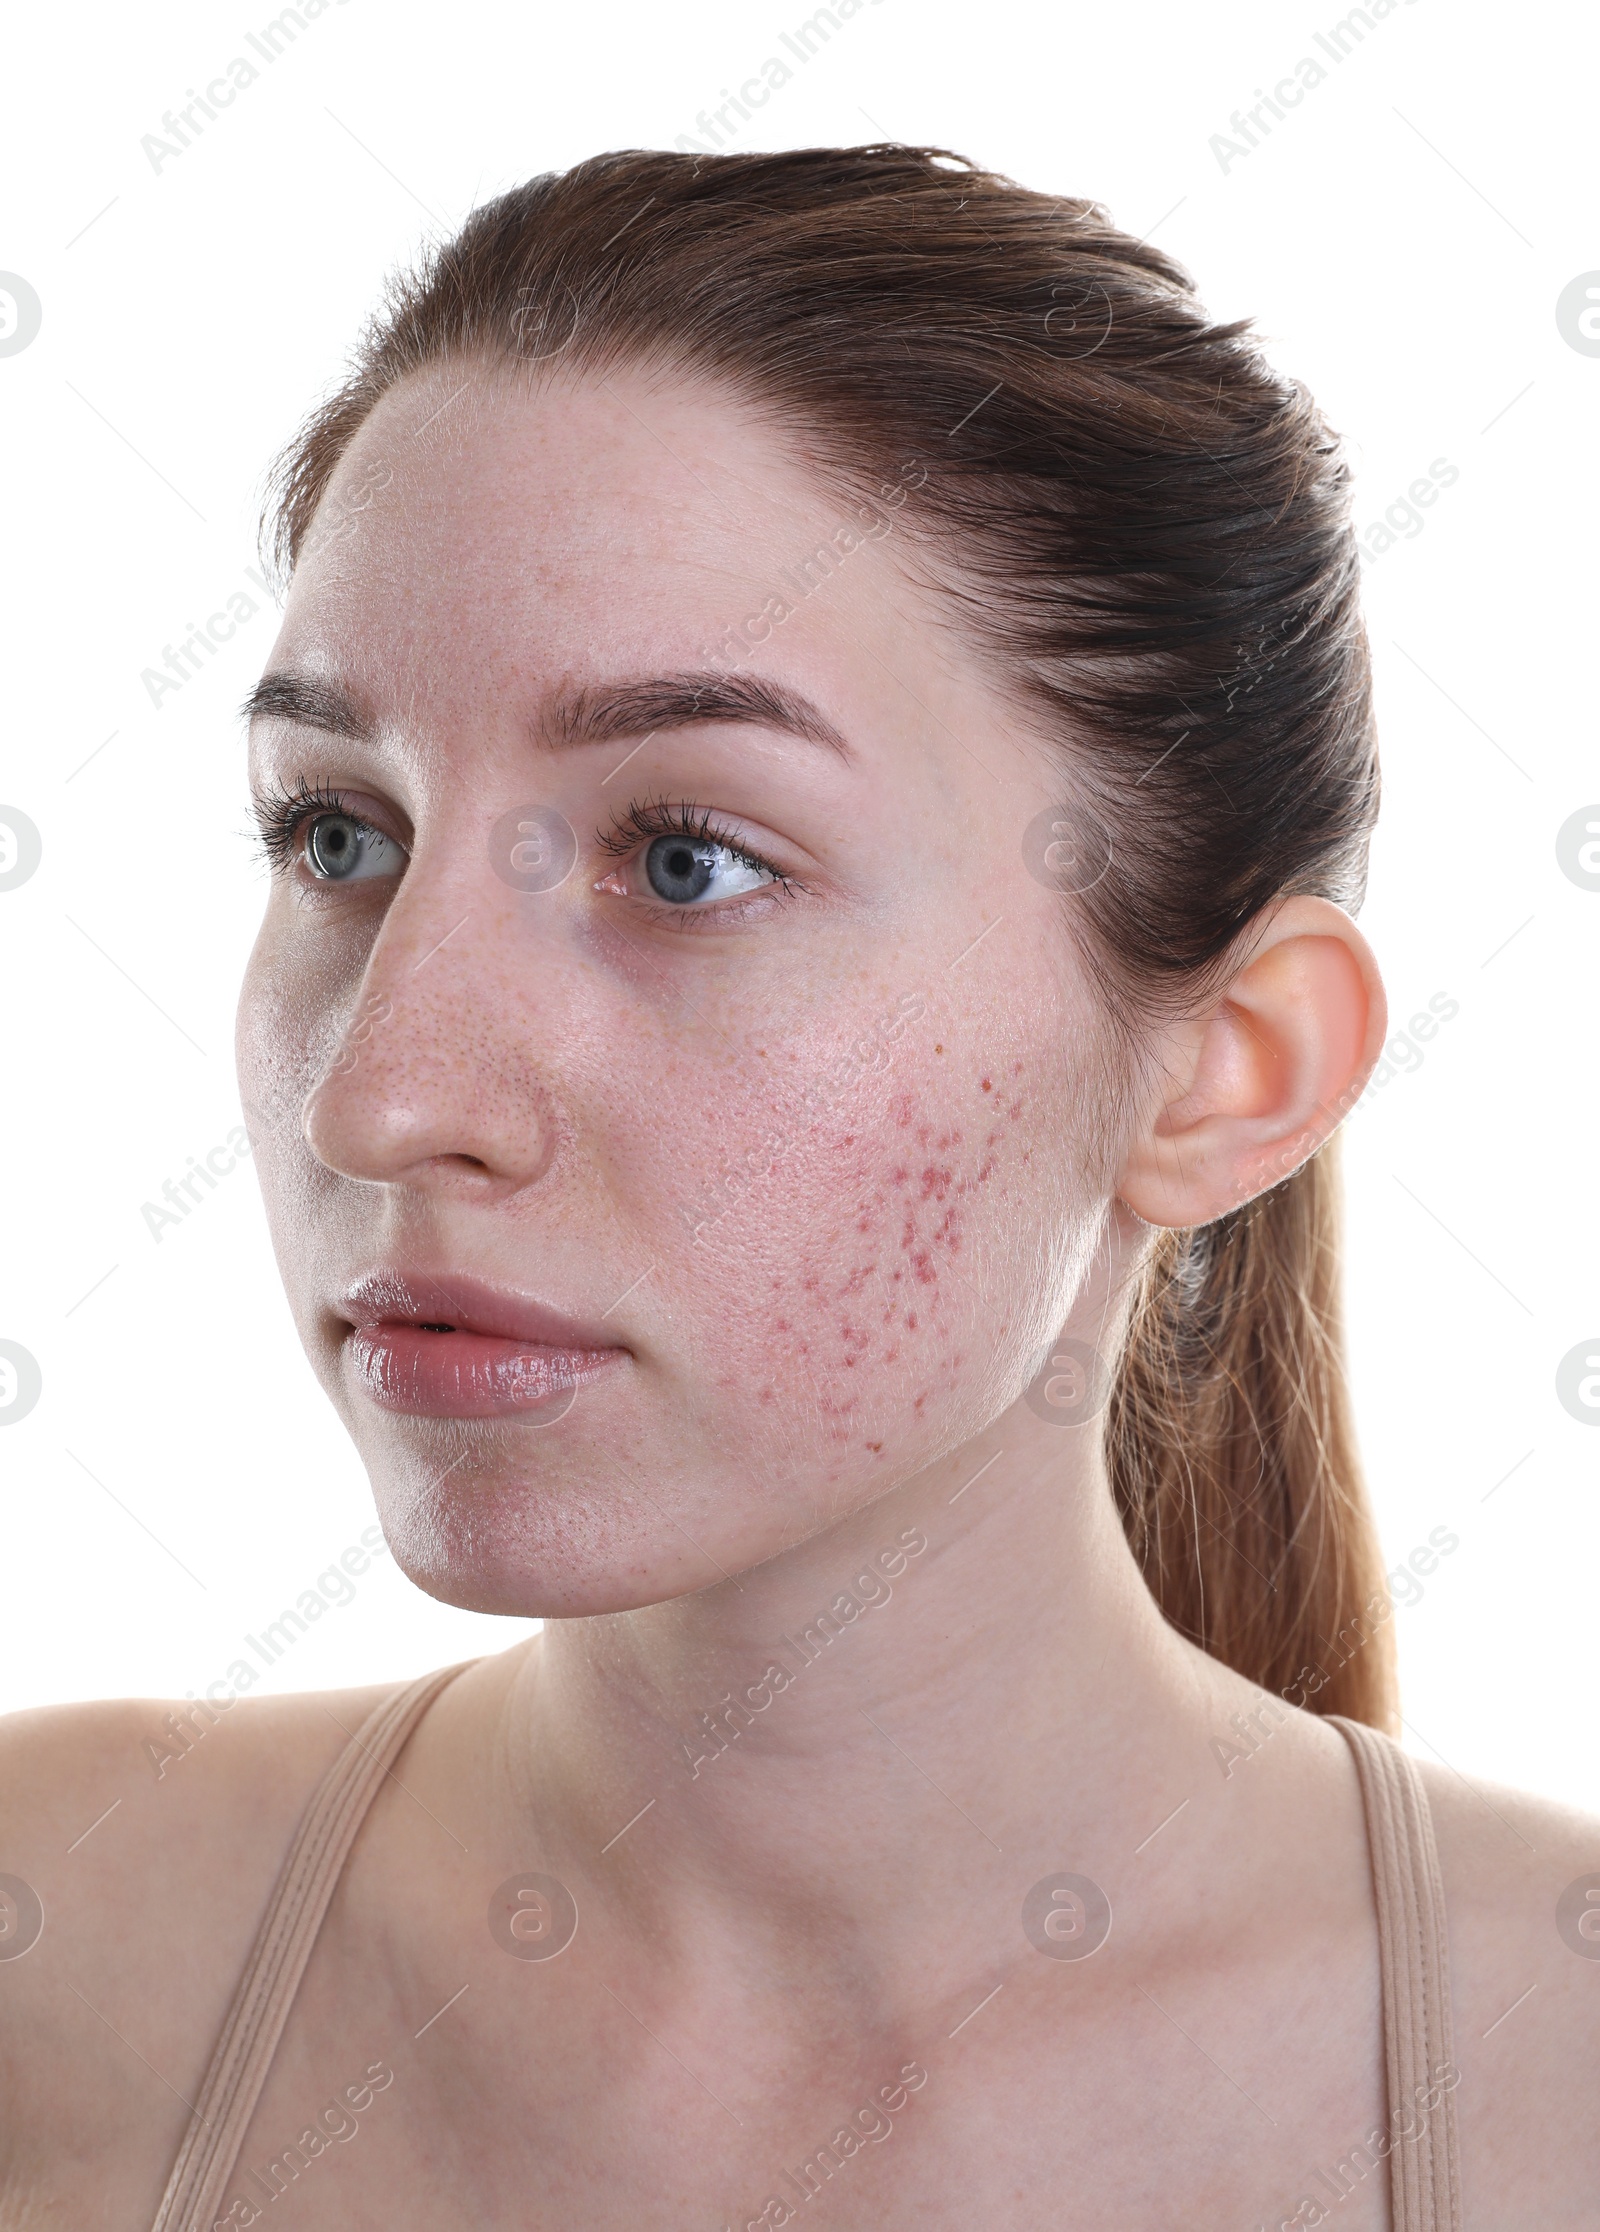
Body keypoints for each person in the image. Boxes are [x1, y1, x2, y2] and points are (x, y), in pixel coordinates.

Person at [1, 146, 1593, 2231]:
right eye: (334, 836)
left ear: (1225, 1072)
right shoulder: (56, 1955)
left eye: (689, 859)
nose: (383, 1102)